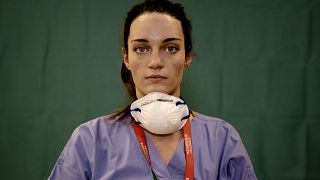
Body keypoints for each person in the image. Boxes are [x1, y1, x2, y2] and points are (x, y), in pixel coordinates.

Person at [48, 0, 257, 179]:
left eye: (171, 48)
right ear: (126, 58)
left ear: (187, 57)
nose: (155, 61)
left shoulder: (221, 140)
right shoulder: (90, 141)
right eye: (141, 48)